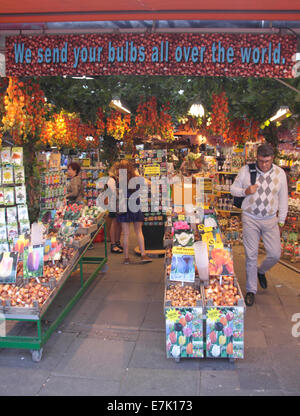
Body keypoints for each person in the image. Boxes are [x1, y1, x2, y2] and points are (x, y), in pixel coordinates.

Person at [230, 143, 288, 307]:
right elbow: (233, 189)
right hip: (250, 217)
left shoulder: (280, 174)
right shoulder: (246, 170)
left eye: (267, 161)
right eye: (261, 161)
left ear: (272, 159)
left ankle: (261, 271)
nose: (263, 164)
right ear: (257, 158)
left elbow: (283, 198)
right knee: (251, 255)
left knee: (275, 254)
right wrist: (245, 191)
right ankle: (250, 290)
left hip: (270, 219)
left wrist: (281, 219)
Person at [115, 159, 152, 265]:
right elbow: (149, 183)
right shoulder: (136, 178)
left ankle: (126, 258)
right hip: (135, 205)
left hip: (123, 206)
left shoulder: (119, 180)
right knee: (139, 231)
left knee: (126, 234)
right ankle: (143, 255)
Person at [107, 162, 123, 253]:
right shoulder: (111, 179)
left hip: (118, 203)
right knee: (114, 222)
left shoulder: (117, 179)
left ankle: (117, 242)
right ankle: (113, 244)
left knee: (118, 222)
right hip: (114, 203)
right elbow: (114, 192)